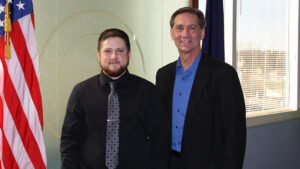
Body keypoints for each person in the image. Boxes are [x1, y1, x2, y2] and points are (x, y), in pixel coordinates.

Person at [61, 28, 168, 169]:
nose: (113, 56)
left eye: (120, 50)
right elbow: (70, 141)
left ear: (129, 54)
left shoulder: (148, 91)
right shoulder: (81, 92)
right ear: (98, 55)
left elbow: (160, 141)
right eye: (107, 51)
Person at [156, 7, 246, 169]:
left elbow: (235, 133)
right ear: (172, 33)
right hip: (168, 163)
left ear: (202, 33)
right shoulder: (163, 75)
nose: (185, 34)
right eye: (179, 28)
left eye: (192, 28)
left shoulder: (223, 74)